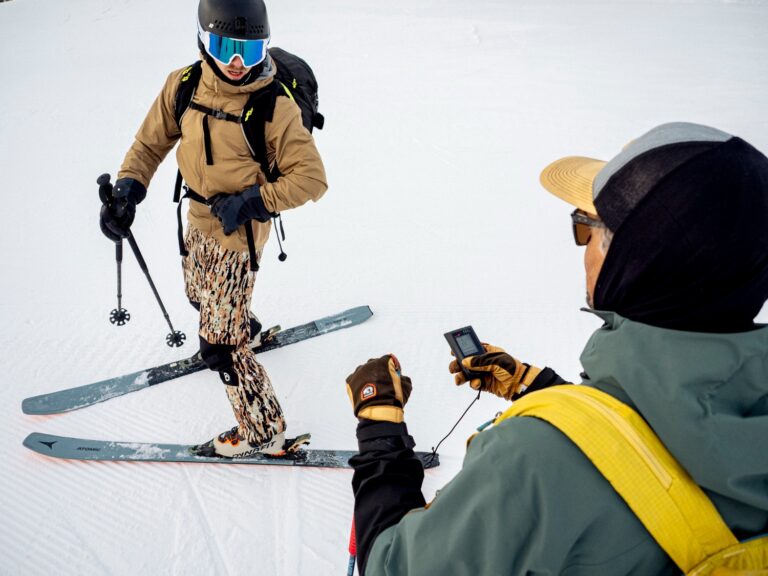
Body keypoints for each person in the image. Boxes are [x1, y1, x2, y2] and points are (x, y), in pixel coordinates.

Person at [344, 122, 768, 575]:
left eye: (586, 228)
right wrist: (540, 390)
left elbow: (393, 567)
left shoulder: (530, 462)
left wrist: (380, 431)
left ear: (631, 259)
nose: (583, 248)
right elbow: (666, 457)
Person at [99, 0, 327, 457]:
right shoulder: (183, 85)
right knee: (198, 296)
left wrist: (252, 202)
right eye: (225, 47)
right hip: (196, 217)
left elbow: (312, 179)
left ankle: (264, 432)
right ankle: (242, 323)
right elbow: (150, 142)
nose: (238, 63)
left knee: (219, 346)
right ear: (204, 40)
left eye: (249, 49)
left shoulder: (273, 107)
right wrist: (127, 191)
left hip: (238, 231)